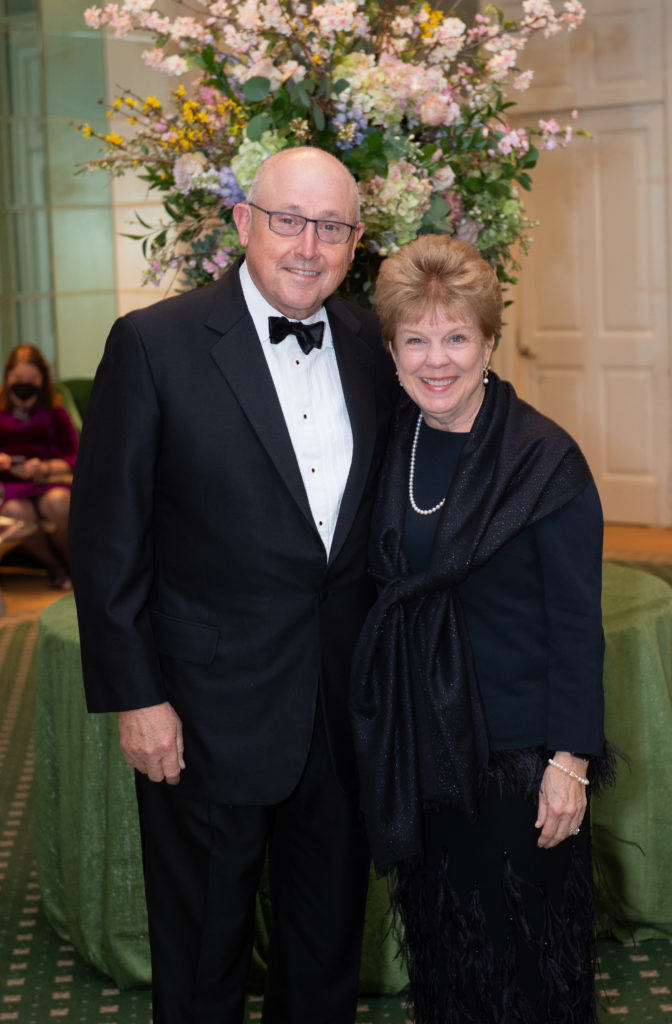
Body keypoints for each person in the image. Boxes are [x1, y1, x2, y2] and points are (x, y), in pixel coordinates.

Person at [68, 146, 397, 1024]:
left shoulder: (371, 342)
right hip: (203, 711)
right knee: (203, 955)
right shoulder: (155, 343)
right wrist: (138, 698)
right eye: (287, 220)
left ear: (355, 240)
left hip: (339, 709)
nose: (306, 245)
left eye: (330, 227)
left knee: (324, 949)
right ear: (243, 222)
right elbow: (107, 542)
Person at [351, 235, 614, 1024]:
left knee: (521, 968)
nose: (437, 360)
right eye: (415, 339)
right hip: (422, 748)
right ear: (392, 350)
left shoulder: (544, 459)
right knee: (445, 953)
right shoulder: (390, 438)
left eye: (456, 336)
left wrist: (569, 763)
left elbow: (576, 623)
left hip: (517, 761)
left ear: (490, 341)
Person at [0, 344, 78, 589]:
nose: (24, 384)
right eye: (19, 378)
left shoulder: (55, 410)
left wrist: (42, 468)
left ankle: (75, 566)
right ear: (8, 376)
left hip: (47, 480)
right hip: (10, 487)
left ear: (42, 380)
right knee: (14, 513)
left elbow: (75, 456)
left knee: (59, 503)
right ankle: (53, 568)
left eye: (32, 379)